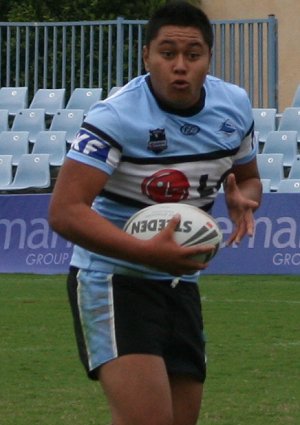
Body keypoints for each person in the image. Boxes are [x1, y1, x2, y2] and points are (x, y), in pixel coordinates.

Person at [49, 1, 262, 424]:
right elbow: (65, 211)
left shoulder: (234, 106)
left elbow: (248, 178)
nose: (180, 65)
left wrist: (244, 198)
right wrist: (146, 254)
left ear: (209, 58)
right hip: (112, 278)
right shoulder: (116, 115)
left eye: (193, 54)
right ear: (146, 56)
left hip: (179, 278)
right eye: (167, 53)